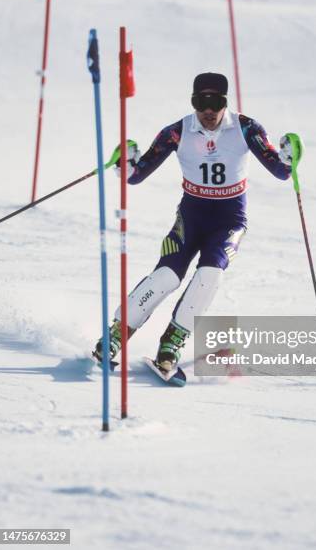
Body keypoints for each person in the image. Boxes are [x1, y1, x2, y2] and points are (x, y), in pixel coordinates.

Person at [93, 72, 295, 374]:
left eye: (216, 102)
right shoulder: (177, 132)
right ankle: (116, 334)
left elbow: (280, 171)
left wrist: (291, 157)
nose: (208, 111)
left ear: (225, 103)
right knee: (166, 277)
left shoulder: (246, 128)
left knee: (210, 276)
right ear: (193, 102)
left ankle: (171, 343)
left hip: (229, 220)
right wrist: (126, 163)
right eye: (201, 102)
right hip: (192, 216)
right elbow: (136, 176)